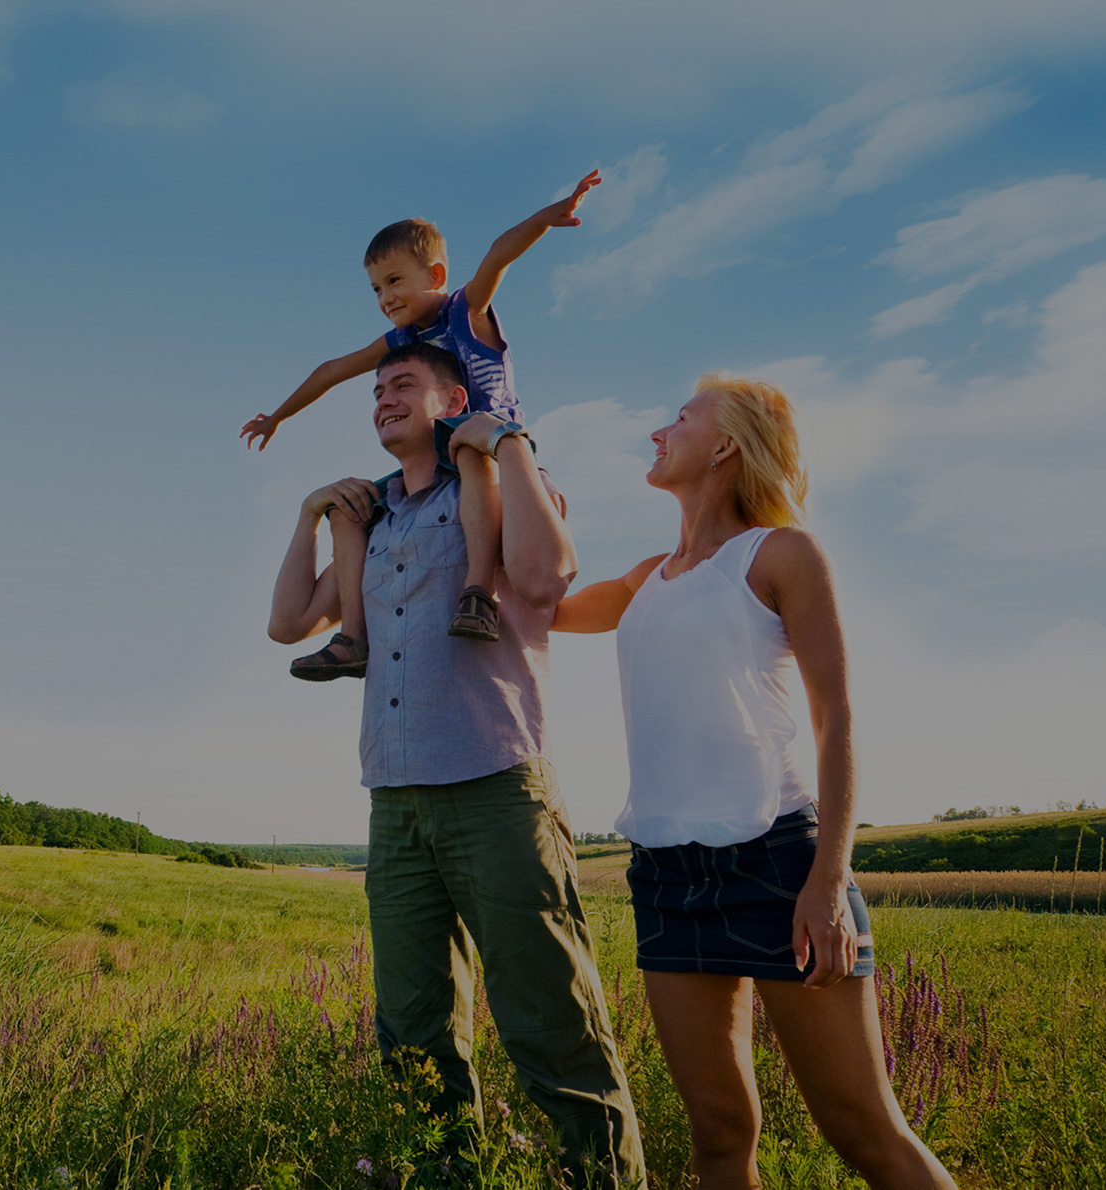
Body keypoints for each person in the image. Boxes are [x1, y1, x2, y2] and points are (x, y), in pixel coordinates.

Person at [551, 375, 957, 1190]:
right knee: (718, 1129)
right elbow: (542, 607)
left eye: (680, 419)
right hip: (665, 877)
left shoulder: (781, 555)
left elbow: (836, 717)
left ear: (726, 446)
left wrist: (828, 880)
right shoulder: (645, 579)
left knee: (862, 1128)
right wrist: (517, 490)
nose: (658, 432)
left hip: (776, 864)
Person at [267, 341, 645, 1187]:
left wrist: (506, 441)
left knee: (552, 1020)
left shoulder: (498, 486)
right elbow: (287, 623)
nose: (382, 399)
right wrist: (308, 515)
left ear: (451, 399)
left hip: (495, 786)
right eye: (375, 391)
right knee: (413, 1033)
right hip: (395, 800)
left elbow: (546, 579)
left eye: (402, 384)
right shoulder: (375, 520)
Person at [244, 170, 602, 676]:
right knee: (349, 509)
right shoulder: (402, 340)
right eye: (375, 289)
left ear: (435, 276)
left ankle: (478, 591)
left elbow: (498, 255)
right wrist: (278, 416)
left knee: (467, 447)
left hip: (492, 447)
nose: (384, 297)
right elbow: (332, 369)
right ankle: (354, 638)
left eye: (394, 281)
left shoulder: (465, 312)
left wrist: (547, 217)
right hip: (438, 461)